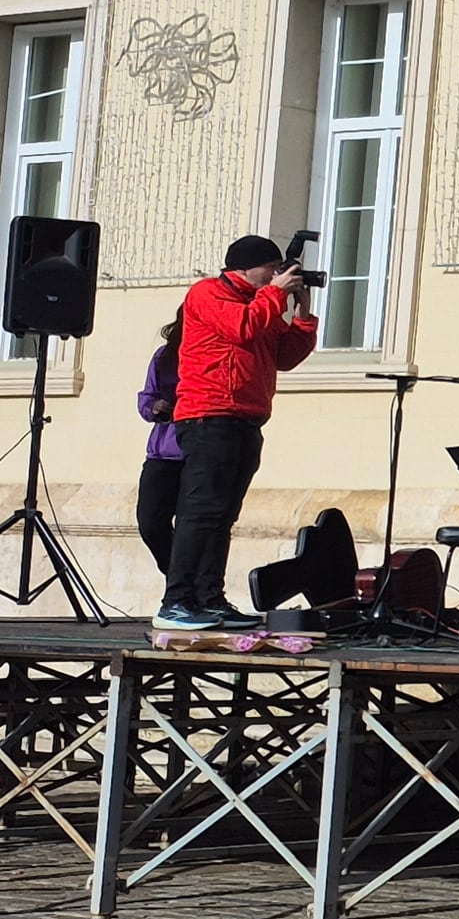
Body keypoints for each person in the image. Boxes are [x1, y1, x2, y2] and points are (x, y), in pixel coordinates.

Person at [156, 237, 320, 631]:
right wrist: (275, 295)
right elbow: (241, 328)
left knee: (222, 517)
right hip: (209, 417)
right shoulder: (209, 293)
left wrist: (303, 315)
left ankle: (210, 600)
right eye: (273, 267)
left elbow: (284, 357)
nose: (279, 274)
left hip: (245, 420)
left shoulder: (262, 304)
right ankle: (176, 602)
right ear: (246, 268)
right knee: (201, 513)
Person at [133, 319, 184, 574]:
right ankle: (177, 577)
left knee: (193, 529)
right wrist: (153, 407)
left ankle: (185, 584)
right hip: (162, 453)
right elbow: (147, 396)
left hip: (198, 453)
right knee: (150, 523)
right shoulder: (164, 356)